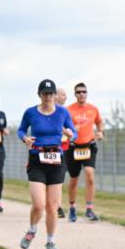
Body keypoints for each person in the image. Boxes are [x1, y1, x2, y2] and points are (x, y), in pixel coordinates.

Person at [17, 79, 76, 249]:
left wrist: (70, 134)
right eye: (45, 93)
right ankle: (32, 231)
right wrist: (25, 138)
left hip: (56, 161)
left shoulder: (63, 112)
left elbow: (74, 132)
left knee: (52, 206)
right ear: (39, 94)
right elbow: (21, 130)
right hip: (37, 160)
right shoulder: (30, 112)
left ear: (55, 95)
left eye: (51, 93)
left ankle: (50, 242)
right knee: (39, 204)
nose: (48, 96)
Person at [65, 82, 104, 222]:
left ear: (87, 93)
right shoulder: (68, 110)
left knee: (89, 174)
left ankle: (89, 209)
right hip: (73, 147)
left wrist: (100, 132)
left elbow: (99, 122)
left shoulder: (93, 109)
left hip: (89, 146)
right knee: (74, 179)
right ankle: (72, 208)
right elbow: (62, 126)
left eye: (84, 91)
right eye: (79, 92)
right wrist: (70, 129)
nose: (82, 94)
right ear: (75, 94)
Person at [54, 88, 71, 219]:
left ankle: (58, 206)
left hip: (63, 150)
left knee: (59, 179)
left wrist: (70, 132)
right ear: (56, 96)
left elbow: (72, 131)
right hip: (50, 149)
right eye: (63, 95)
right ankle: (54, 204)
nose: (66, 97)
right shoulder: (48, 111)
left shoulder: (66, 113)